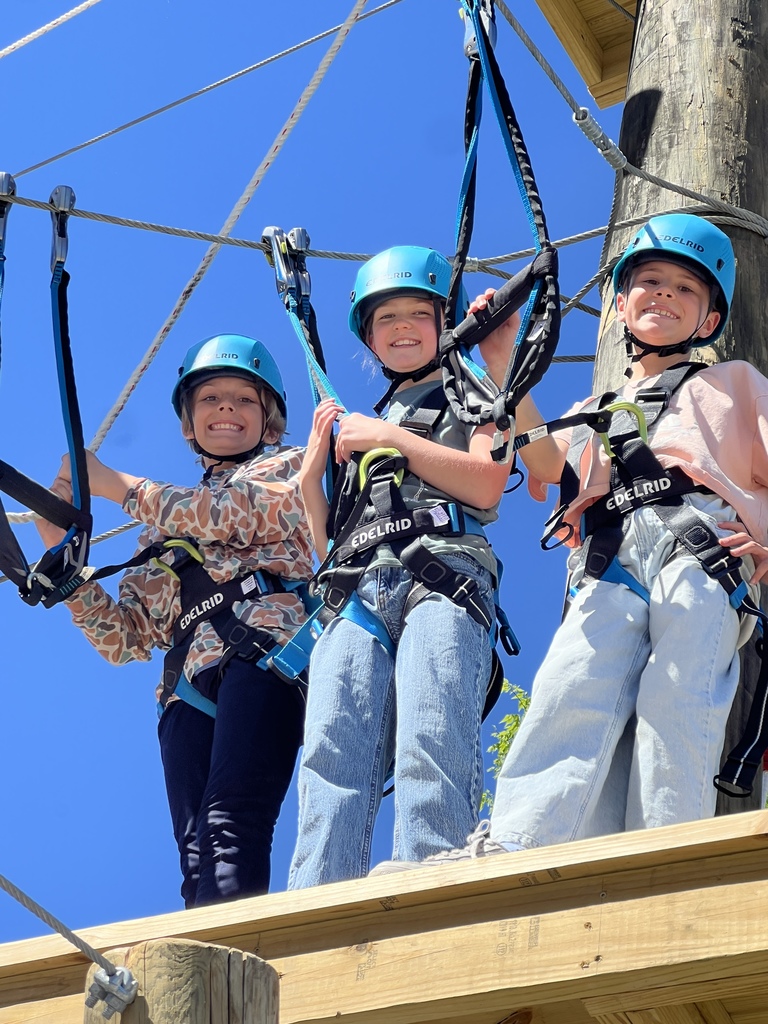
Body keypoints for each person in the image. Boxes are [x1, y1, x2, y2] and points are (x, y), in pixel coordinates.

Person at [380, 212, 768, 869]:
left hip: (700, 545)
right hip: (609, 557)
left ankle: (666, 855)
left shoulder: (734, 384)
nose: (665, 293)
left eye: (685, 288)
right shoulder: (595, 412)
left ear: (708, 319)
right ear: (619, 306)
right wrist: (503, 357)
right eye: (649, 281)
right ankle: (517, 843)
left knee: (679, 696)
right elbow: (545, 461)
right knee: (571, 686)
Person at [36, 334, 315, 906]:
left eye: (244, 399)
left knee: (231, 819)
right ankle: (200, 950)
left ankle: (233, 945)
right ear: (189, 423)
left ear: (269, 422)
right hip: (185, 683)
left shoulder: (292, 468)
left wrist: (118, 486)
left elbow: (233, 514)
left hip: (266, 652)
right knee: (194, 852)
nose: (226, 407)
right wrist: (67, 572)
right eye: (210, 398)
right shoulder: (159, 533)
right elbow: (126, 638)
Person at [288, 246, 516, 887]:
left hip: (442, 570)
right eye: (387, 318)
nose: (404, 327)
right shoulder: (362, 424)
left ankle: (431, 874)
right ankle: (317, 897)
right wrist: (311, 480)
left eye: (419, 313)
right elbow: (331, 542)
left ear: (445, 322)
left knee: (431, 731)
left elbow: (487, 484)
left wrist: (389, 439)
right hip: (357, 585)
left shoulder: (470, 389)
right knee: (331, 749)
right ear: (369, 337)